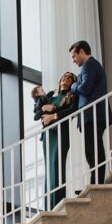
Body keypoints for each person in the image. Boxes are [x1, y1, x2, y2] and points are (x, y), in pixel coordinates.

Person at [69, 40, 112, 185]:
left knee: (94, 149)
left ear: (82, 51)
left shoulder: (90, 65)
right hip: (91, 114)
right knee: (91, 150)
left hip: (94, 114)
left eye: (74, 56)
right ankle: (95, 180)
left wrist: (73, 86)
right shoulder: (89, 66)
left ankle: (97, 181)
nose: (74, 60)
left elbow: (85, 88)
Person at [33, 72, 79, 209]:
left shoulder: (71, 96)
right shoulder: (51, 97)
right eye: (64, 77)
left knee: (57, 167)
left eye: (69, 78)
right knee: (49, 170)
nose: (66, 79)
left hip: (61, 134)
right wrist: (43, 108)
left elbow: (72, 111)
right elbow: (36, 116)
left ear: (72, 83)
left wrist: (53, 116)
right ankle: (48, 207)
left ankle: (57, 205)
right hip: (48, 136)